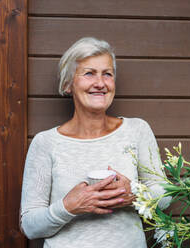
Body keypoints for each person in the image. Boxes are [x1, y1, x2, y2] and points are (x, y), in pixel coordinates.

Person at [20, 37, 168, 248]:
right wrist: (68, 206)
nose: (100, 83)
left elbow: (165, 197)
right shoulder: (46, 143)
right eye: (89, 73)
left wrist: (134, 194)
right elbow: (29, 226)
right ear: (68, 84)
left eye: (107, 74)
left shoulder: (137, 130)